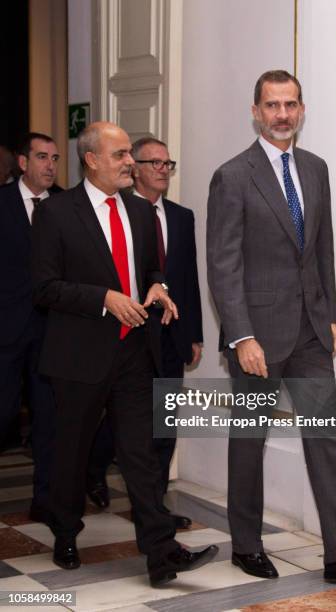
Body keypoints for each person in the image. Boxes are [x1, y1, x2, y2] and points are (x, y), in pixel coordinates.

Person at [206, 70, 336, 582]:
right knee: (249, 439)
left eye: (290, 104)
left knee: (326, 438)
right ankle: (246, 543)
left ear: (302, 109)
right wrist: (241, 336)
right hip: (257, 337)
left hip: (311, 331)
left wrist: (329, 313)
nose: (282, 114)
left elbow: (321, 248)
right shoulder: (233, 175)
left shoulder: (315, 168)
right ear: (255, 111)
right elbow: (223, 264)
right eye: (272, 105)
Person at [32, 121, 217, 586]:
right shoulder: (56, 213)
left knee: (141, 454)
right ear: (92, 159)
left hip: (135, 351)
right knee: (71, 452)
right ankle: (65, 532)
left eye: (129, 155)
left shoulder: (138, 211)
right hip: (79, 355)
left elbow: (151, 268)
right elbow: (44, 287)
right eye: (120, 156)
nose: (130, 163)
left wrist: (157, 285)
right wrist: (104, 298)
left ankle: (161, 554)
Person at [87, 137, 203, 530]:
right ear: (133, 167)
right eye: (152, 162)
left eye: (167, 163)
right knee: (121, 423)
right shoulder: (122, 212)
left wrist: (194, 334)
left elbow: (187, 279)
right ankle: (94, 468)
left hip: (170, 335)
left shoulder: (182, 216)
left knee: (164, 422)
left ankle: (151, 508)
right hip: (130, 334)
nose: (161, 170)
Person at [0, 132, 61, 522]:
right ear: (23, 163)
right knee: (3, 413)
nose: (50, 165)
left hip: (54, 332)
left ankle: (46, 500)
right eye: (42, 157)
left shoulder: (68, 206)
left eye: (55, 158)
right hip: (5, 331)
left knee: (49, 419)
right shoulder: (1, 203)